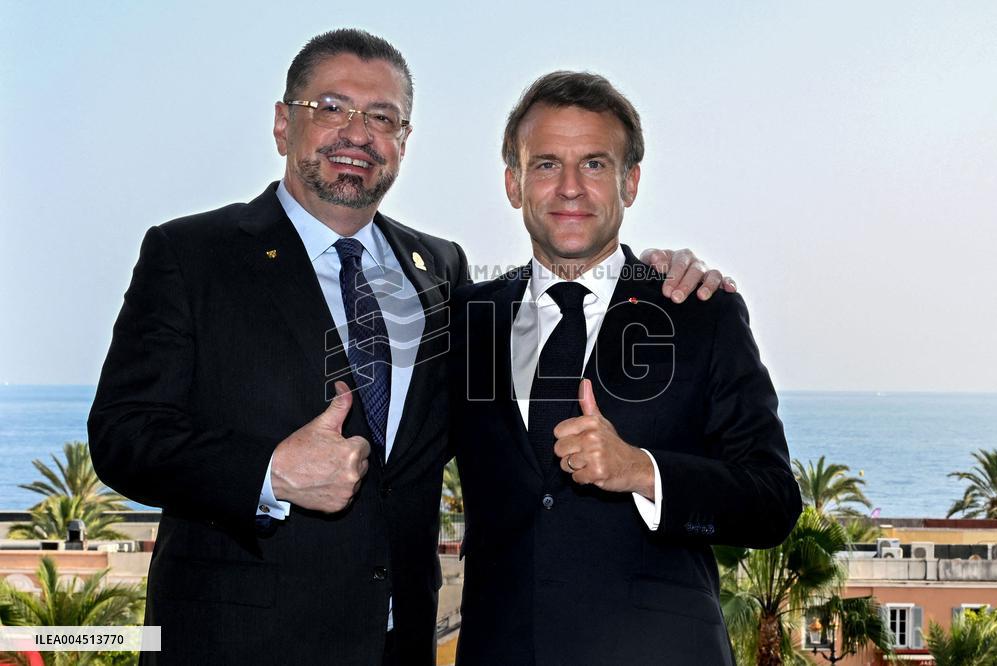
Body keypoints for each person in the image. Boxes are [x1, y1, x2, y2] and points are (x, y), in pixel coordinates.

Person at [87, 30, 729, 665]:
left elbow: (503, 416)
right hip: (238, 645)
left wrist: (649, 275)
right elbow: (122, 434)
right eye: (331, 107)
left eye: (382, 117)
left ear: (403, 141)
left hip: (401, 643)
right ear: (284, 124)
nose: (357, 133)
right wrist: (270, 473)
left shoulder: (441, 270)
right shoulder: (192, 254)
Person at [448, 71, 802, 665]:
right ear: (513, 183)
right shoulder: (466, 319)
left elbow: (772, 501)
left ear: (629, 182)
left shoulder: (700, 311)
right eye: (546, 164)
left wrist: (641, 470)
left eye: (594, 164)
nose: (570, 188)